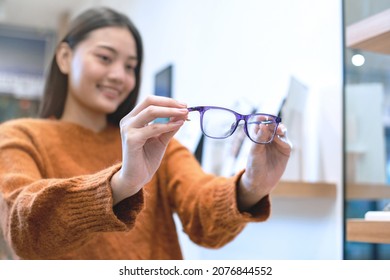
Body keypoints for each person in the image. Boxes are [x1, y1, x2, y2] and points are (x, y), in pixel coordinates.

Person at [0, 7, 292, 260]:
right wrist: (121, 184)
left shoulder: (154, 142)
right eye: (104, 58)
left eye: (130, 66)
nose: (119, 75)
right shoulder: (19, 137)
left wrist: (252, 186)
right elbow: (24, 230)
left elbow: (205, 220)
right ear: (64, 57)